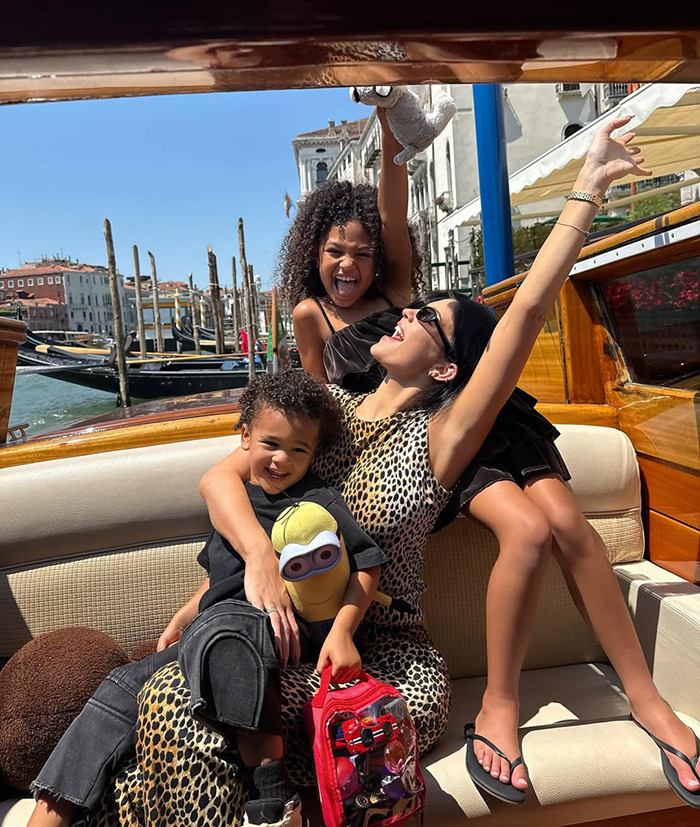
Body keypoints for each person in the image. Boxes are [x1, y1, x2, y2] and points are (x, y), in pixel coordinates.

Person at [90, 117, 698, 822]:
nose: (403, 316)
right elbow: (237, 485)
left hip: (388, 658)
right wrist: (222, 587)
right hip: (294, 643)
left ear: (444, 367)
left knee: (193, 708)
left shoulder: (442, 437)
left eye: (425, 320)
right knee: (178, 701)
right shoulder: (324, 415)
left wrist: (587, 186)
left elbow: (527, 310)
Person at [28, 371, 387, 827]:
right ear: (244, 437)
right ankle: (51, 815)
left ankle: (273, 797)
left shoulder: (317, 503)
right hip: (215, 627)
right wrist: (184, 614)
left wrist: (341, 632)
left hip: (277, 631)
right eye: (270, 444)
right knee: (119, 686)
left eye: (299, 450)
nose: (282, 460)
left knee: (233, 627)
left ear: (315, 454)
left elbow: (366, 563)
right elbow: (220, 578)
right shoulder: (235, 504)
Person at [281, 109, 420, 383]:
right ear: (314, 255)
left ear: (378, 259)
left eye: (363, 254)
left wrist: (389, 126)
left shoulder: (394, 294)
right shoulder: (309, 314)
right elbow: (321, 398)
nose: (347, 263)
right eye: (335, 251)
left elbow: (392, 220)